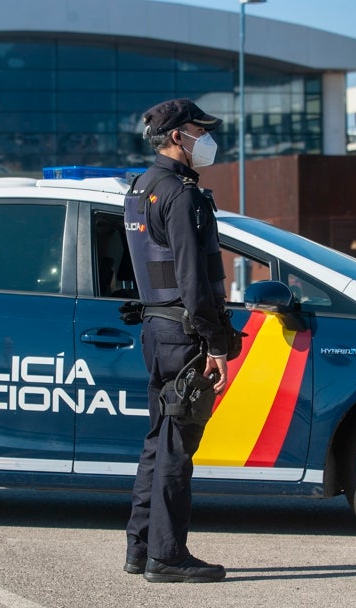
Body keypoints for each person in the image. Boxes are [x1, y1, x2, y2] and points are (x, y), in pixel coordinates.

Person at [122, 98, 230, 583]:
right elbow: (194, 279)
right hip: (185, 333)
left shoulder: (142, 187)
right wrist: (217, 343)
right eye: (199, 130)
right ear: (178, 136)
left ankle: (141, 548)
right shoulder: (181, 194)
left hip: (156, 328)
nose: (205, 138)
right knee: (177, 446)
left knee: (158, 440)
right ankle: (167, 556)